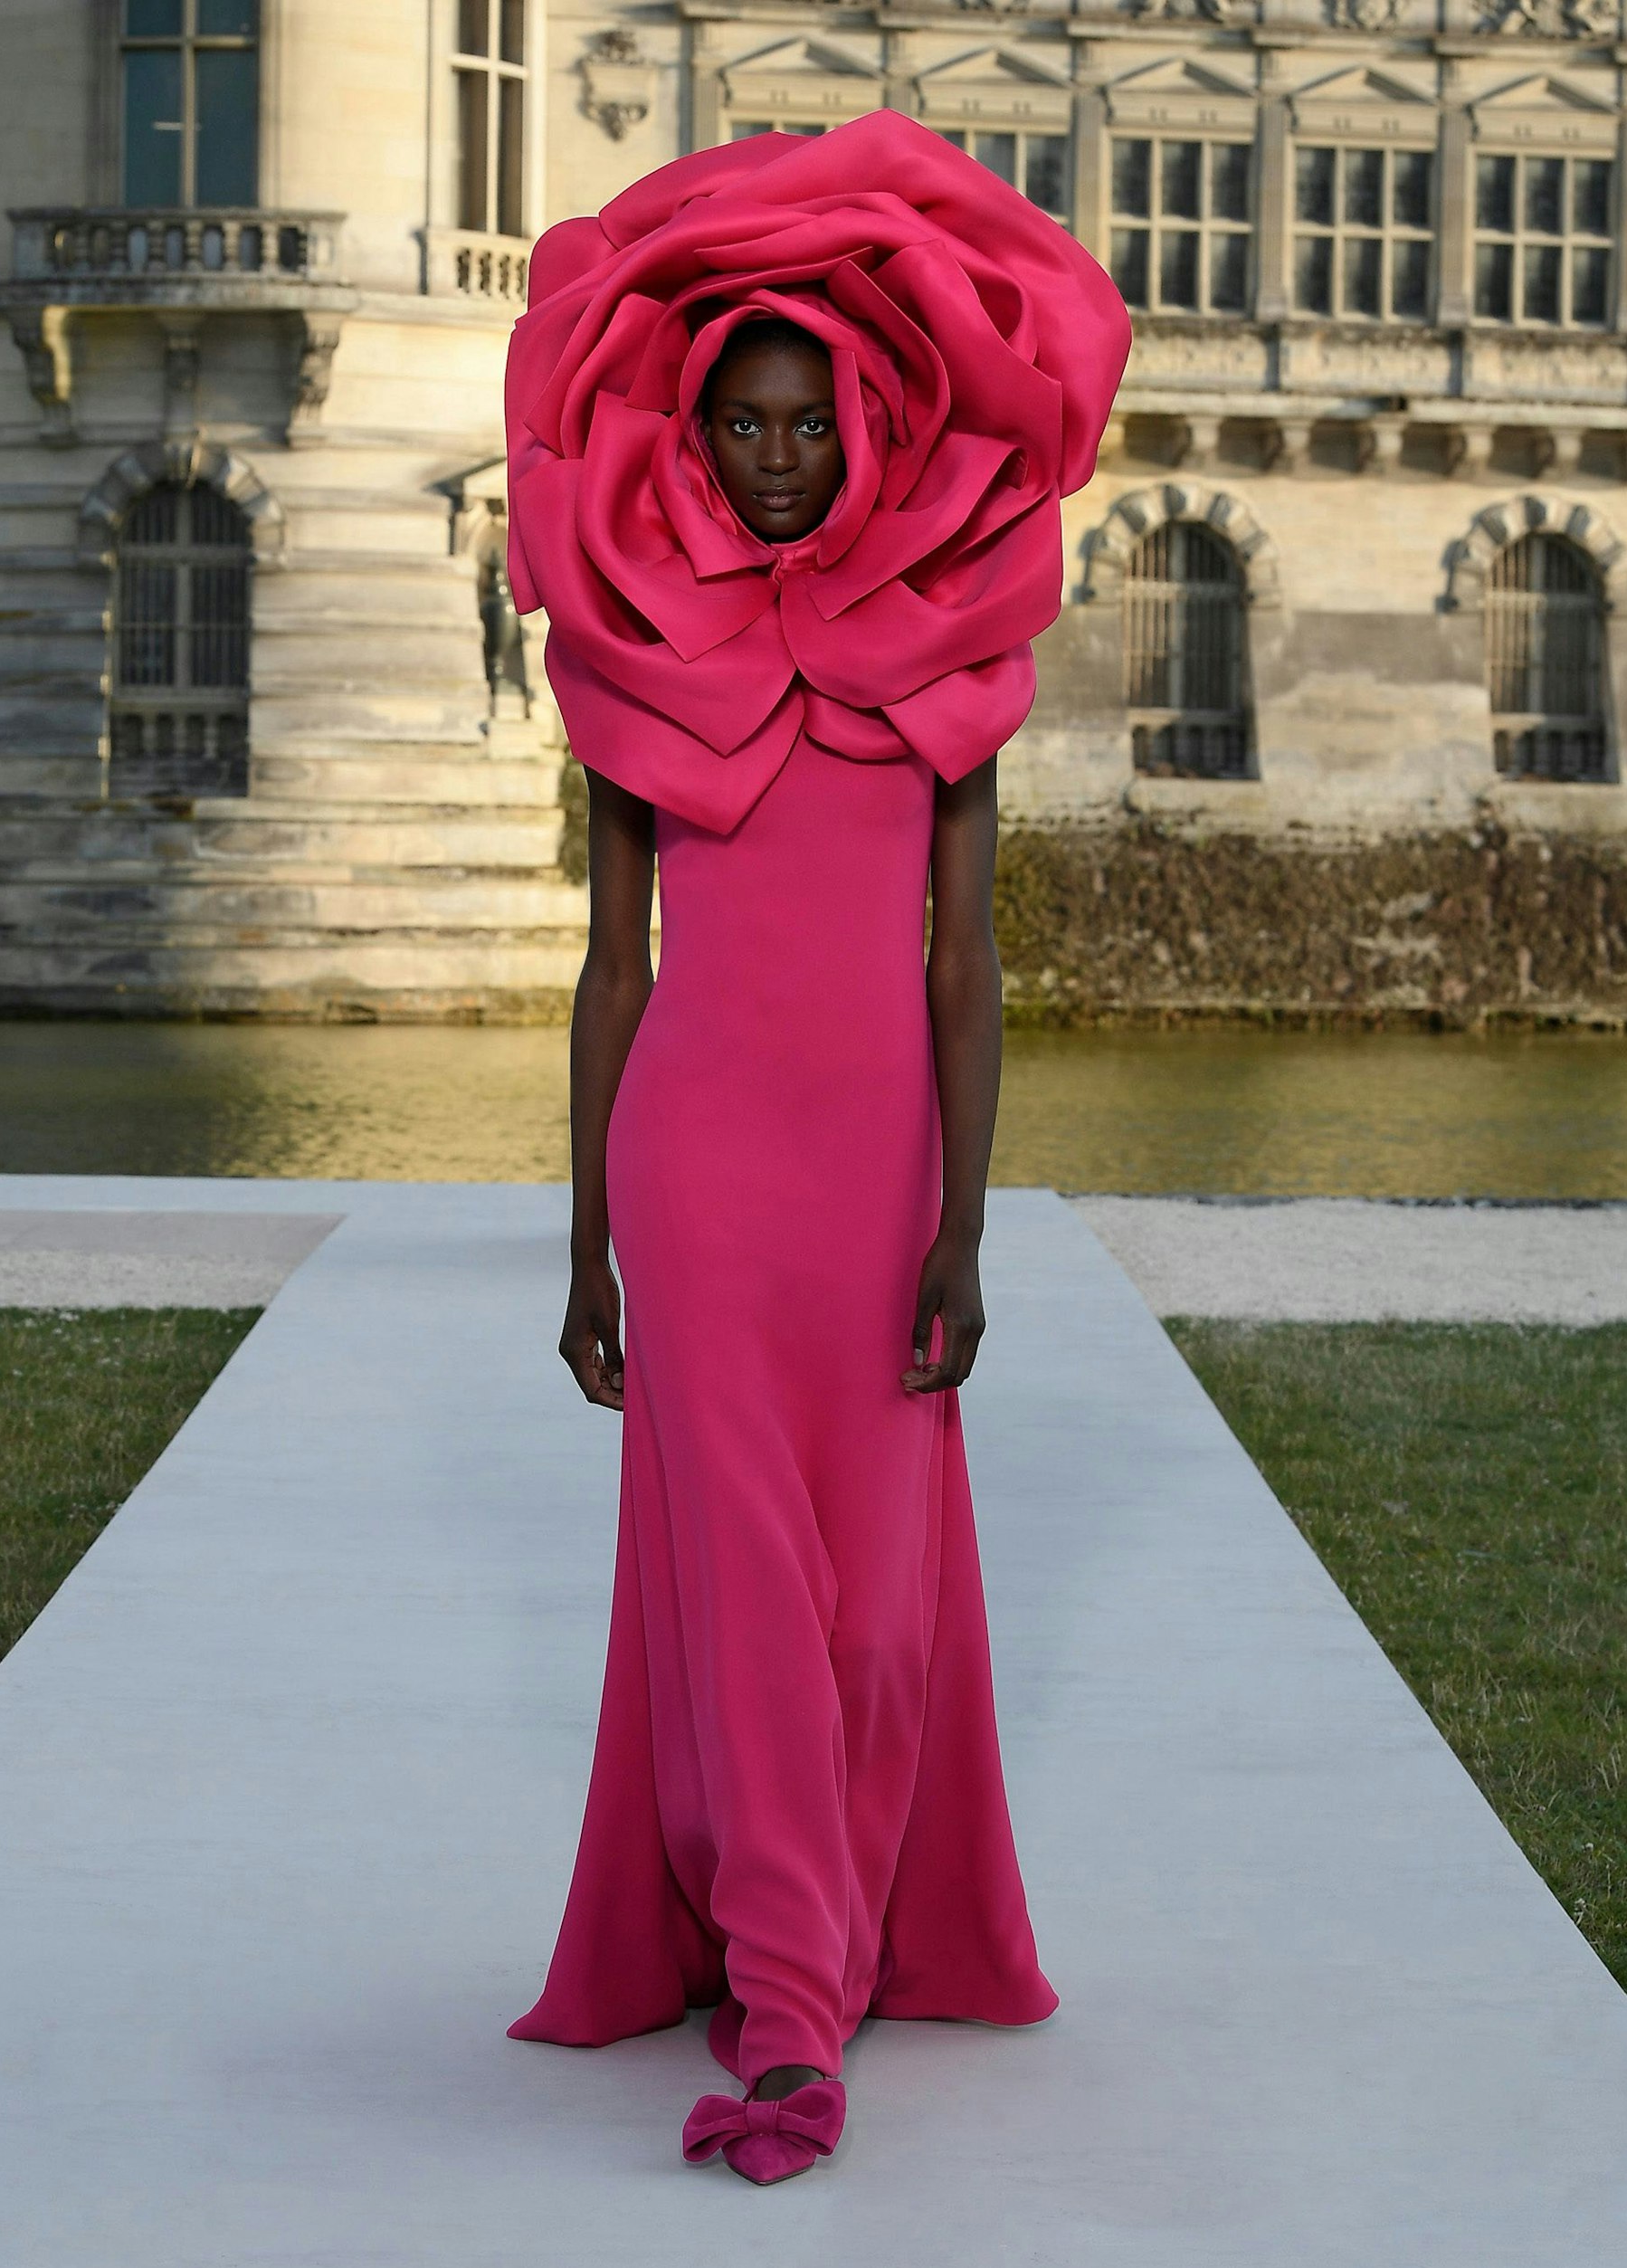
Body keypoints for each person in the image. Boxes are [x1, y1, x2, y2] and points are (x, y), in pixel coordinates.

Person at [503, 111, 1129, 2187]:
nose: (774, 454)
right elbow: (613, 976)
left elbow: (969, 968)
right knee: (747, 1585)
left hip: (873, 1178)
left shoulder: (945, 657)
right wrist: (584, 1245)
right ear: (692, 434)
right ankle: (787, 2003)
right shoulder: (626, 654)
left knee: (870, 1604)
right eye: (738, 421)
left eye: (805, 419)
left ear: (862, 422)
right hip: (693, 1170)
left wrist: (965, 1219)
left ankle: (833, 1910)